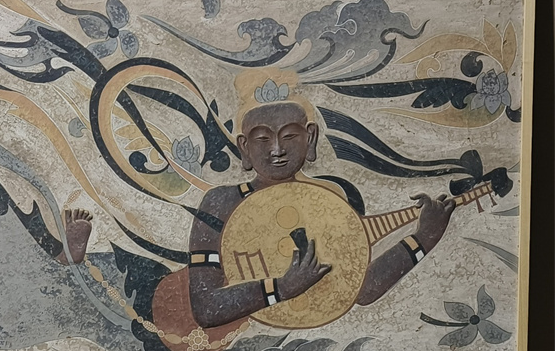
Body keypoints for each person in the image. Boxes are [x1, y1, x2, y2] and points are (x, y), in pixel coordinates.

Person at [187, 77, 456, 331]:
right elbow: (206, 308)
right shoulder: (222, 202)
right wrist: (280, 288)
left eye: (289, 136)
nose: (277, 149)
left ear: (310, 137)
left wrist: (422, 239)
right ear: (244, 147)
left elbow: (359, 289)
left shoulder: (328, 201)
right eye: (263, 139)